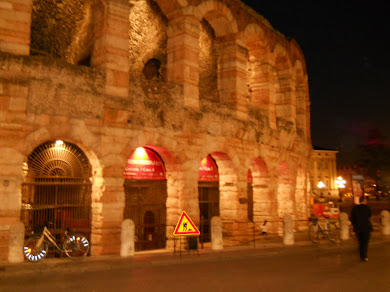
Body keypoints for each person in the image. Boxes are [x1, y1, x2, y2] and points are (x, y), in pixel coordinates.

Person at [351, 196, 373, 262]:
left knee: (360, 241)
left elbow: (352, 218)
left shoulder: (355, 208)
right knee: (365, 242)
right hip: (366, 227)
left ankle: (361, 254)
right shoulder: (367, 208)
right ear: (364, 201)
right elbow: (369, 216)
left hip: (358, 228)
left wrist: (354, 225)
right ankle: (364, 256)